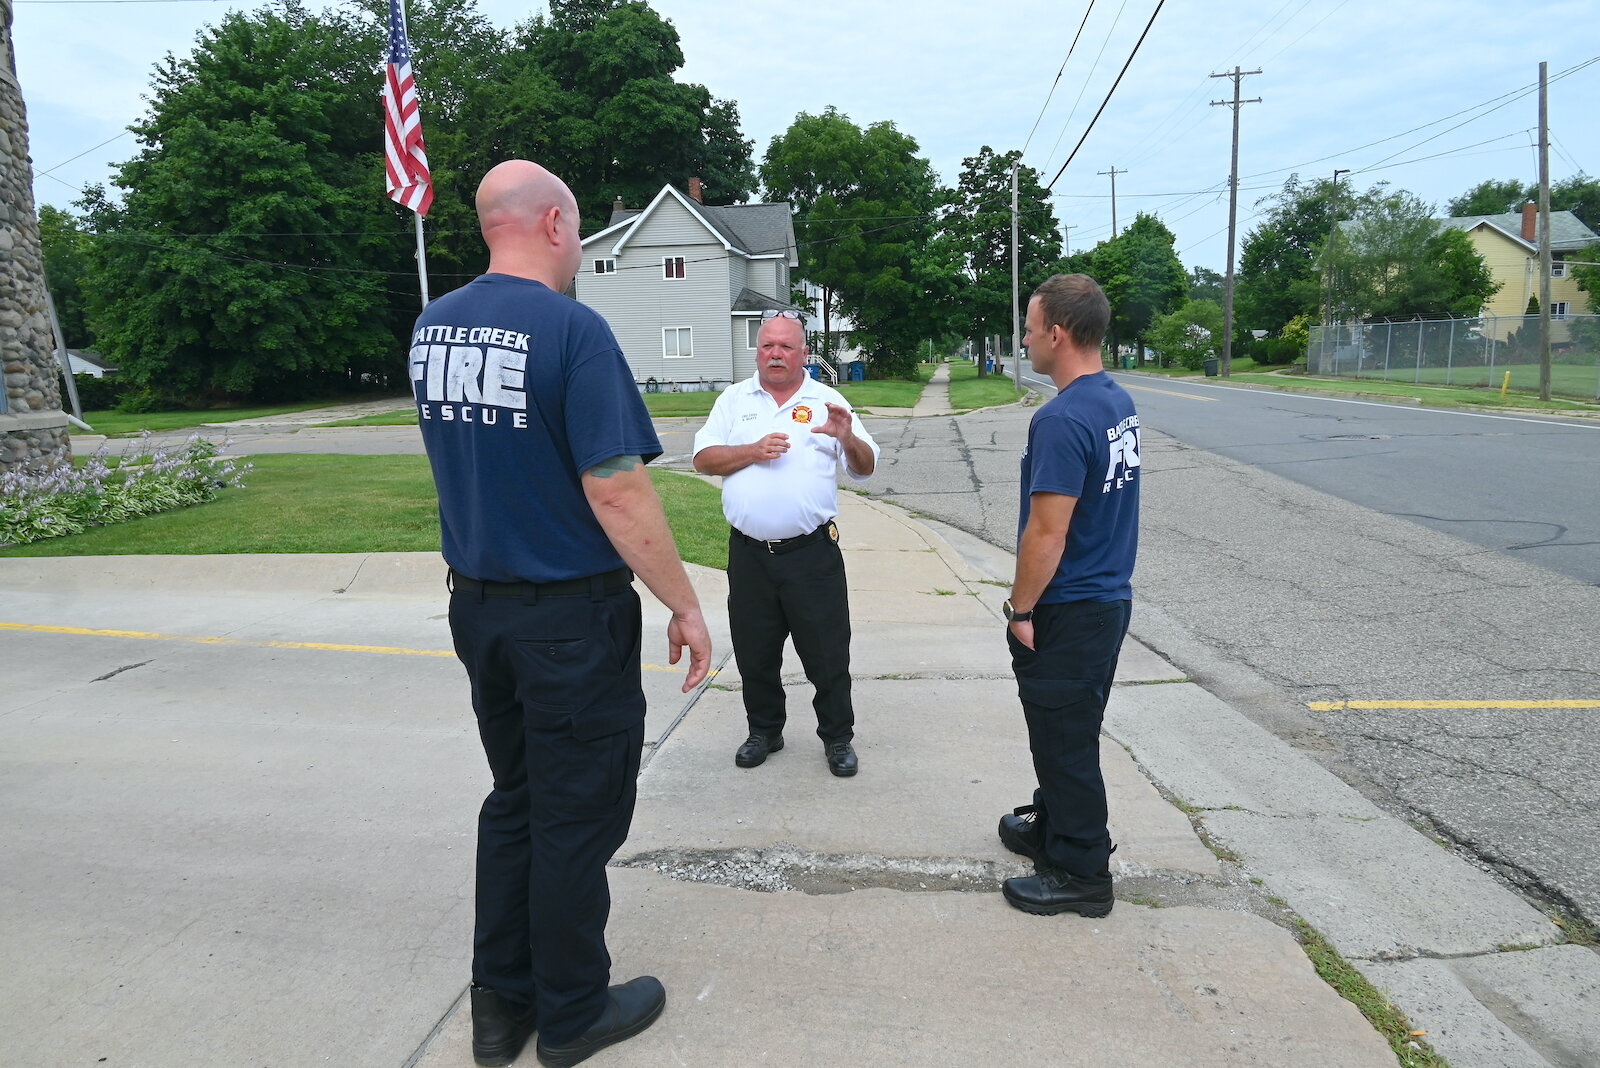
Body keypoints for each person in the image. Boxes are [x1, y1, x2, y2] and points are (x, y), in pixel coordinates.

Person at [410, 159, 711, 1068]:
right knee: (577, 814)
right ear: (551, 225)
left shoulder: (431, 329)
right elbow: (616, 490)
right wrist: (687, 605)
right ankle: (574, 1008)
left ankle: (500, 1009)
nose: (579, 248)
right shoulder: (573, 332)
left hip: (483, 614)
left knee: (518, 802)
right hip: (569, 624)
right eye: (578, 230)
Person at [997, 273, 1140, 919]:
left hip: (1071, 604)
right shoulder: (1114, 401)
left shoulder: (1060, 418)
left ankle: (1082, 871)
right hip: (1106, 598)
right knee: (1067, 730)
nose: (1024, 340)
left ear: (1056, 333)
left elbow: (1048, 533)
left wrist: (1020, 609)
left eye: (1029, 329)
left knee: (1065, 740)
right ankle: (1054, 824)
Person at [691, 311, 879, 777]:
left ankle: (837, 738)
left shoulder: (827, 401)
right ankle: (764, 730)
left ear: (804, 354)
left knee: (827, 654)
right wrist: (752, 451)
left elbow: (866, 466)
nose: (774, 353)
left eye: (785, 347)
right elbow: (703, 458)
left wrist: (847, 436)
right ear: (757, 350)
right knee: (754, 652)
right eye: (766, 345)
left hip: (811, 555)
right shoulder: (734, 400)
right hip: (750, 554)